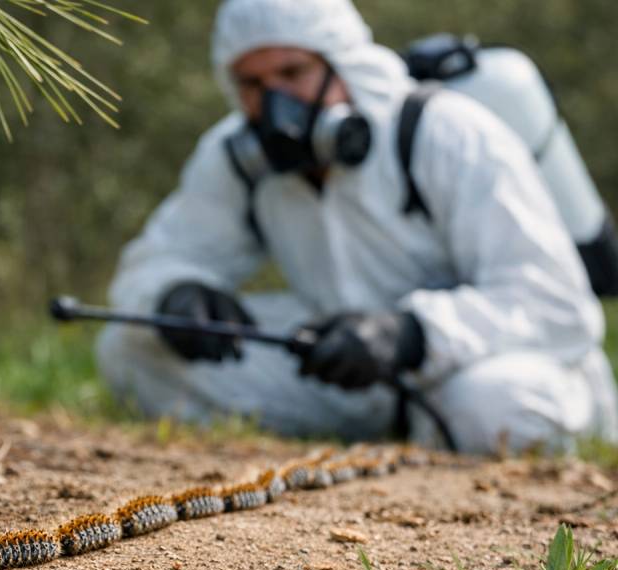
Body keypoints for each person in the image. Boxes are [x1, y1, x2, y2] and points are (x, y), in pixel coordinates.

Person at [96, 0, 618, 455]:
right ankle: (377, 438)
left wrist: (412, 333)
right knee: (132, 350)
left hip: (475, 371)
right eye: (252, 84)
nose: (274, 102)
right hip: (341, 373)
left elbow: (556, 305)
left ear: (342, 63)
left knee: (491, 405)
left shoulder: (448, 133)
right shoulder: (237, 158)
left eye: (293, 72)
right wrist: (175, 293)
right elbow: (158, 260)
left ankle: (446, 439)